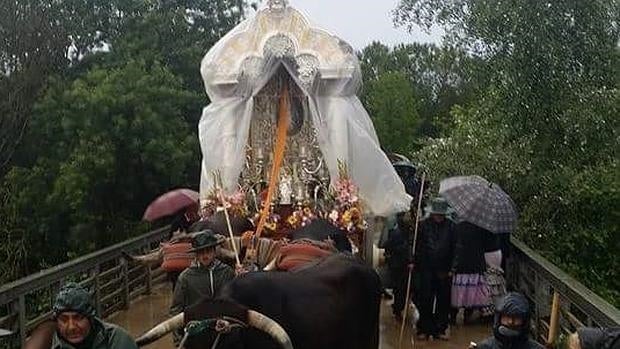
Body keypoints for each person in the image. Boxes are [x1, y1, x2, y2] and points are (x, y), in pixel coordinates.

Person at [170, 229, 235, 342]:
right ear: (196, 254)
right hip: (196, 332)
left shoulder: (227, 272)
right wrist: (178, 339)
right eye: (201, 252)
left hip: (223, 330)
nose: (205, 255)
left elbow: (235, 302)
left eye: (208, 251)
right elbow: (176, 310)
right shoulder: (185, 277)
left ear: (215, 251)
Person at [414, 197, 456, 340]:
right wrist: (413, 261)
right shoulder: (423, 225)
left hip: (445, 270)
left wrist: (453, 268)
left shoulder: (451, 227)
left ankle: (440, 328)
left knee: (443, 302)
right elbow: (416, 246)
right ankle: (424, 328)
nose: (438, 216)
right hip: (426, 269)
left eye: (441, 214)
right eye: (436, 214)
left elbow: (457, 248)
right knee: (425, 299)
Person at [51, 282, 138, 349]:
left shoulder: (117, 340)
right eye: (64, 320)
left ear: (91, 318)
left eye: (78, 318)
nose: (71, 327)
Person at [451, 221, 494, 323]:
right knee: (472, 292)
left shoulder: (457, 226)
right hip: (476, 264)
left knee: (457, 291)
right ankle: (467, 314)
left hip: (461, 264)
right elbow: (489, 245)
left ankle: (453, 315)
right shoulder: (483, 228)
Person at [474, 292, 544, 349]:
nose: (510, 322)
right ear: (499, 318)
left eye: (516, 317)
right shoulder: (484, 347)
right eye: (507, 316)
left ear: (524, 321)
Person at [383, 211, 413, 321]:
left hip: (402, 265)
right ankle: (398, 309)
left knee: (402, 290)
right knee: (401, 289)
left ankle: (398, 308)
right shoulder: (398, 233)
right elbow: (388, 246)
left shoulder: (407, 232)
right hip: (399, 266)